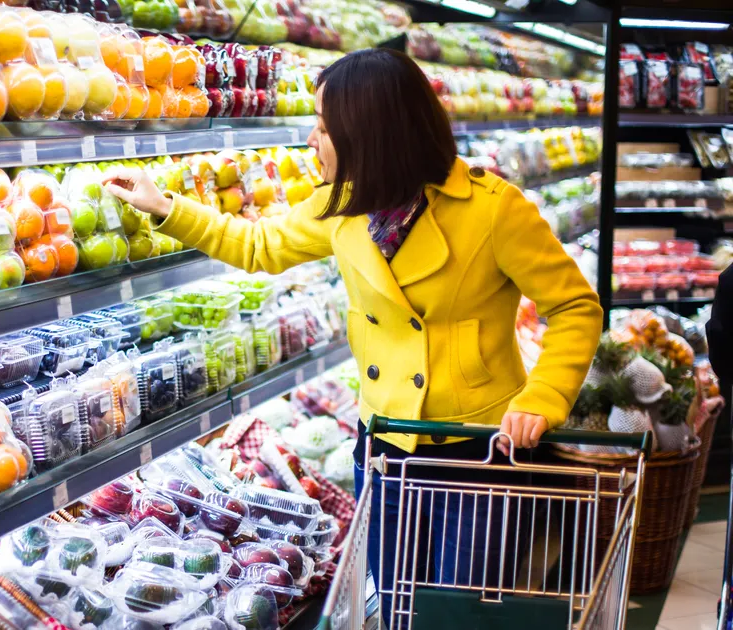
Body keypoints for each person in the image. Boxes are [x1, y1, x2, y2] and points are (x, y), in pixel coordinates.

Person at [104, 48, 602, 627]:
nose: (311, 141)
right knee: (393, 602)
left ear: (371, 134)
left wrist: (542, 397)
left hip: (475, 448)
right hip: (386, 441)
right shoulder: (342, 206)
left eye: (323, 127)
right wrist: (165, 206)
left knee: (457, 609)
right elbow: (258, 246)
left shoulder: (493, 211)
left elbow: (574, 307)